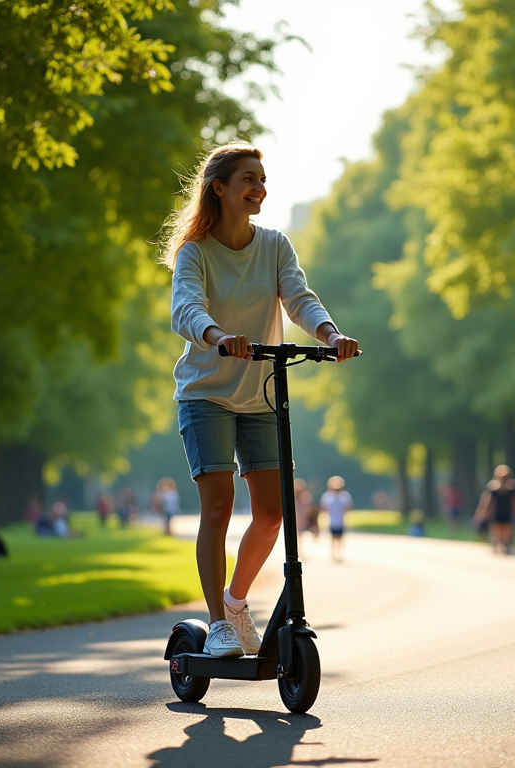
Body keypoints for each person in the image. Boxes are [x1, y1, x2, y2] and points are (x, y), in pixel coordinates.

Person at [165, 142, 358, 658]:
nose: (259, 188)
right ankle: (217, 623)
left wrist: (330, 335)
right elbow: (185, 306)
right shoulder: (196, 252)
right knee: (219, 506)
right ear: (220, 188)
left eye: (263, 179)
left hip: (259, 394)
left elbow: (298, 296)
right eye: (248, 179)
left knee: (273, 514)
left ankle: (235, 602)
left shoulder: (273, 245)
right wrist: (217, 335)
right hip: (206, 394)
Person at [474, 465, 515, 555]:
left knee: (506, 529)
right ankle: (498, 544)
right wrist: (483, 511)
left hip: (506, 510)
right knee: (496, 528)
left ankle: (505, 544)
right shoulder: (493, 486)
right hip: (496, 511)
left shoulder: (511, 487)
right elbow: (487, 500)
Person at [320, 476, 354, 562]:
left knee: (340, 538)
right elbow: (323, 508)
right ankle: (333, 553)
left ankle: (339, 553)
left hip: (341, 520)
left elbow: (349, 506)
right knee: (332, 537)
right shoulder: (327, 496)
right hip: (332, 520)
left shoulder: (345, 496)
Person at [294, 478, 315, 547]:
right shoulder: (292, 496)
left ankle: (300, 547)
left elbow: (308, 508)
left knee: (301, 533)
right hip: (296, 517)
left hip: (303, 518)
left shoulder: (305, 496)